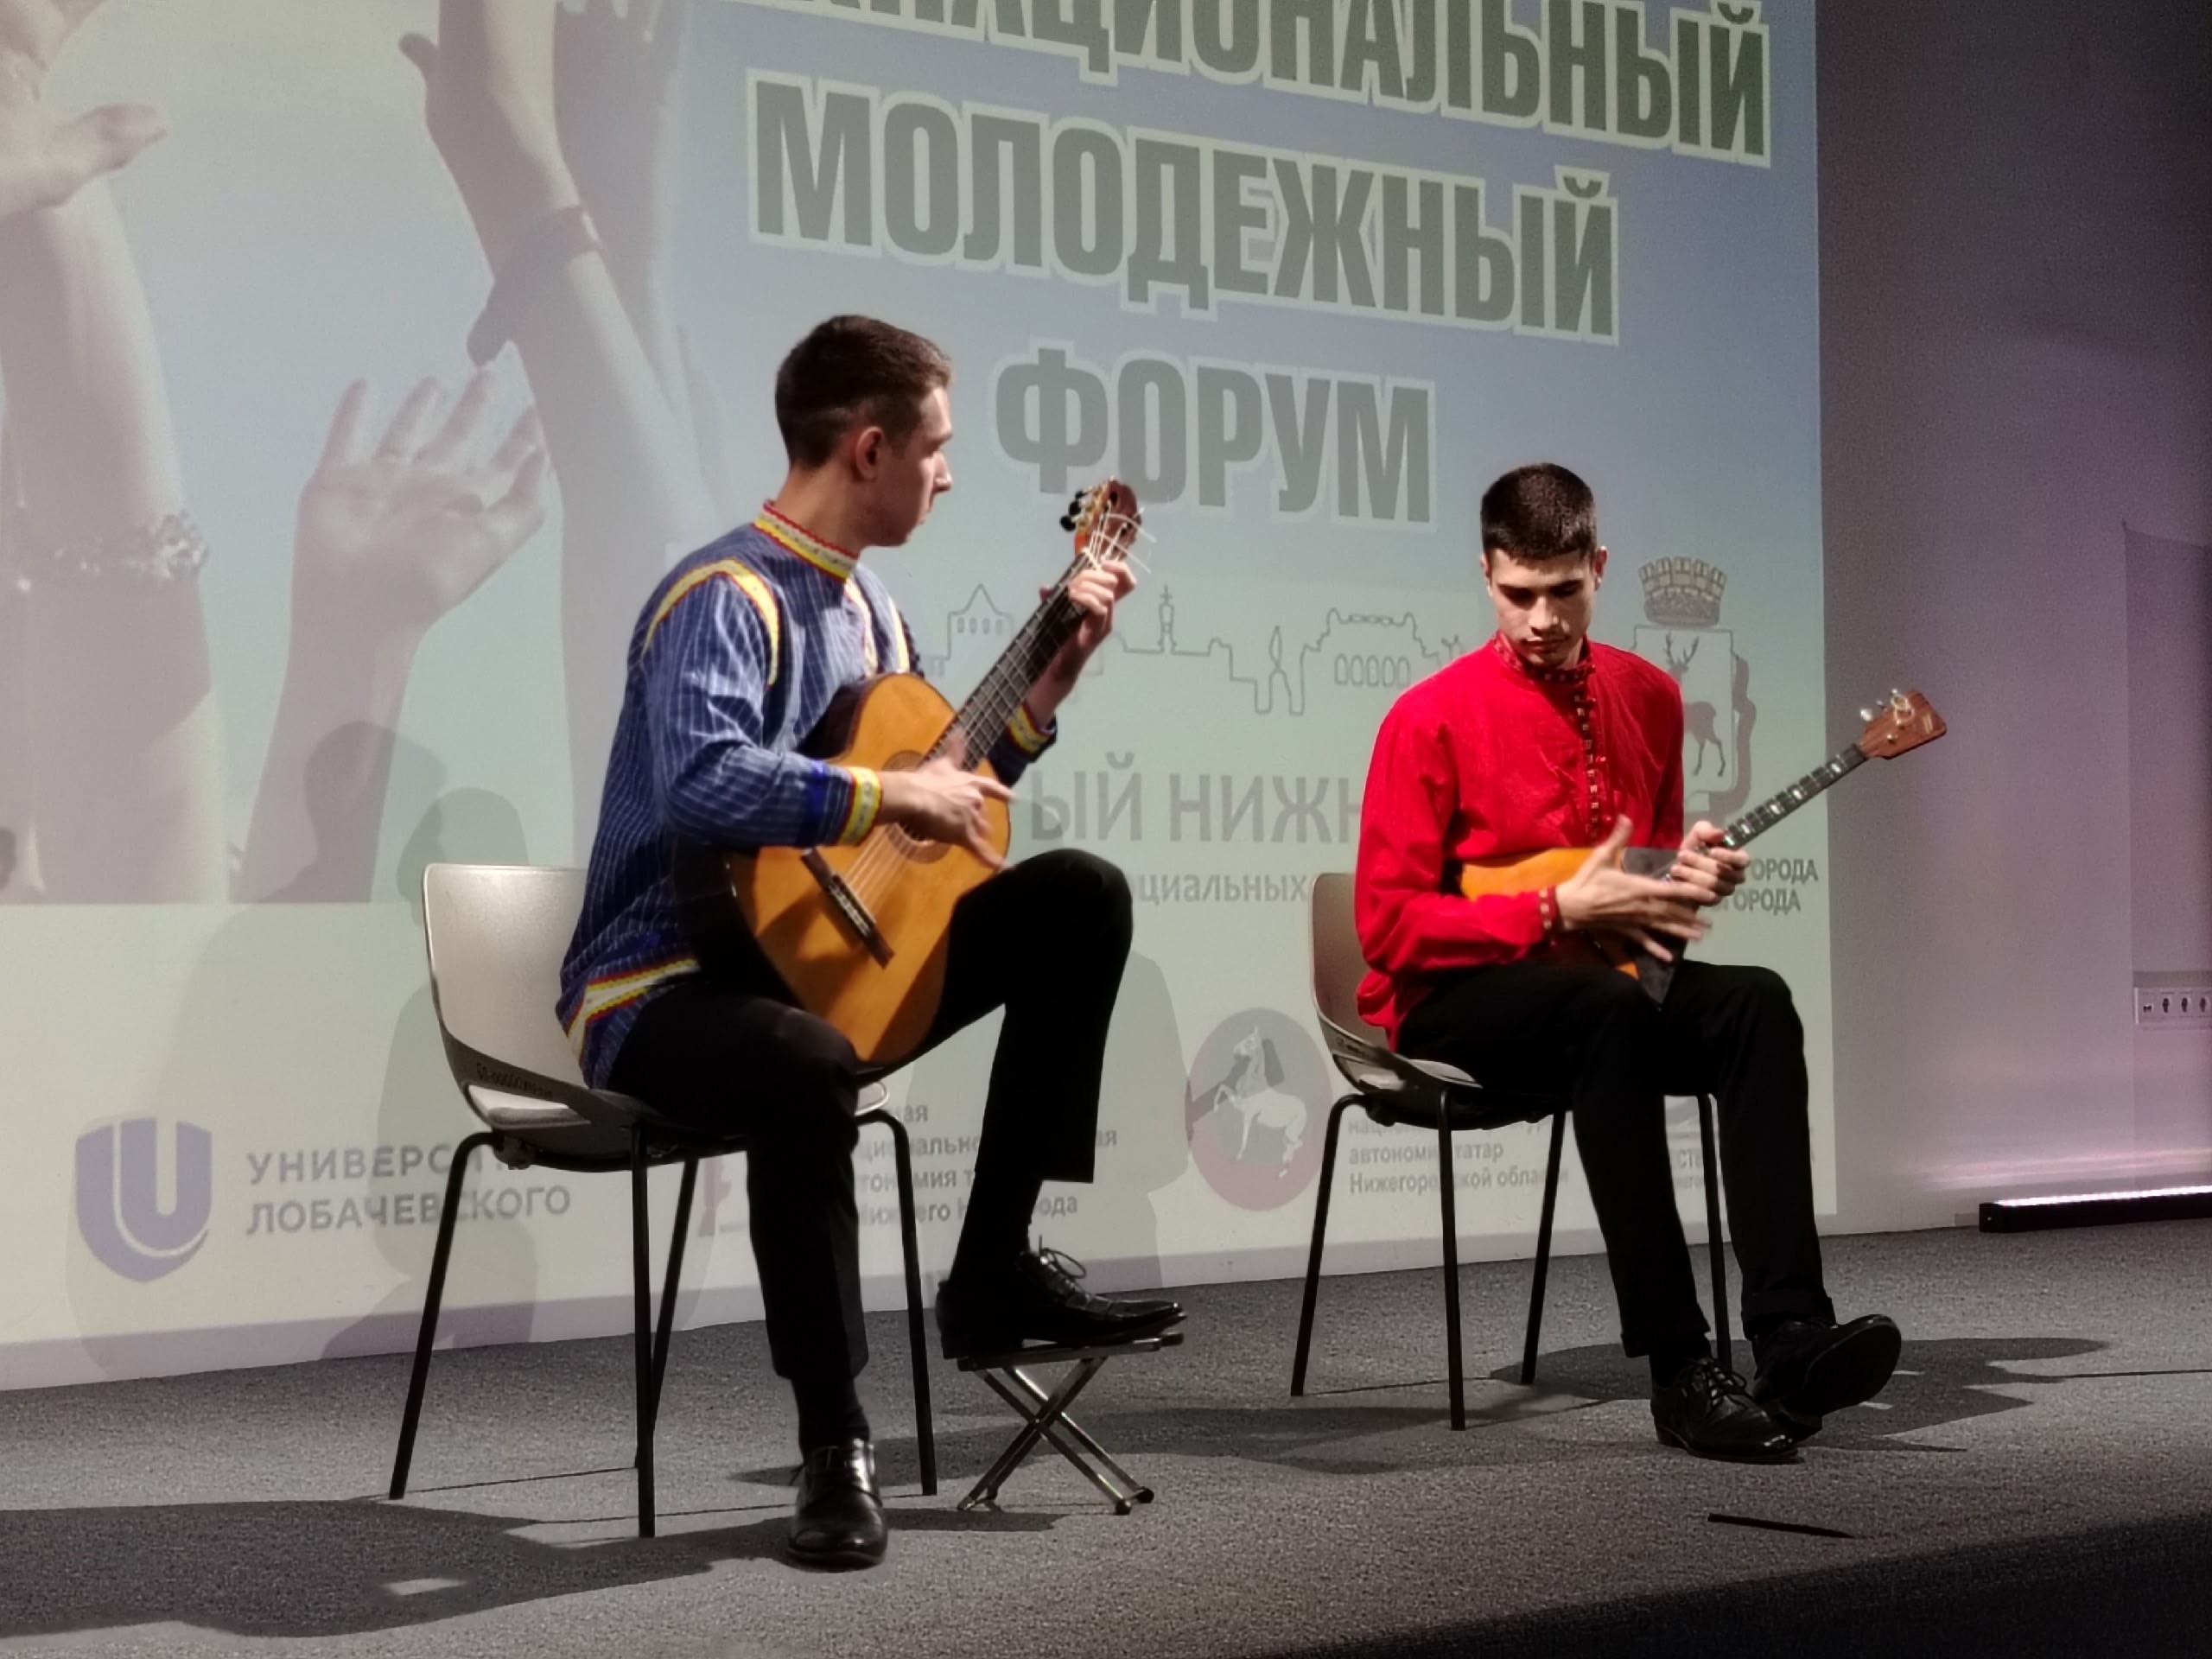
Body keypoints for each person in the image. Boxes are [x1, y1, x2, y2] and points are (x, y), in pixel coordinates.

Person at [558, 315, 1182, 1570]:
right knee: (802, 1067)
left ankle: (993, 1272)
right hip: (663, 986)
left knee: (1081, 895)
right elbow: (701, 784)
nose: (947, 474)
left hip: (822, 970)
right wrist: (893, 793)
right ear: (869, 449)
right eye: (936, 449)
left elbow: (930, 818)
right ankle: (834, 1441)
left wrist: (1044, 691)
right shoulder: (721, 598)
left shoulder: (875, 617)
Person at [1354, 461, 1899, 1463]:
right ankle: (1679, 1369)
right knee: (1602, 1015)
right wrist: (1553, 905)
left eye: (1564, 591)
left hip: (1598, 988)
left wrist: (1679, 891)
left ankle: (1788, 1335)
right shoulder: (1427, 716)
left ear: (1598, 569)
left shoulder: (1648, 697)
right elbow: (1388, 929)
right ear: (1486, 575)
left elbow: (1642, 923)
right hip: (1454, 1000)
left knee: (1753, 1003)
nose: (1540, 619)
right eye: (1518, 594)